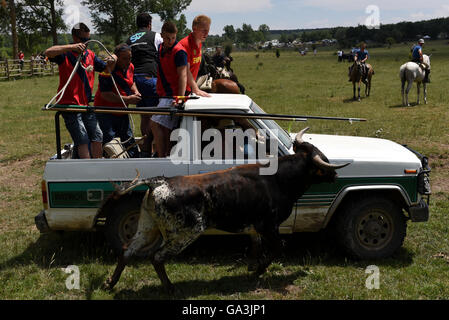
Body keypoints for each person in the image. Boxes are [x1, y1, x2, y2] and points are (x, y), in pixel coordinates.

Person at [45, 22, 116, 159]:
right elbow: (48, 52)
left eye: (88, 39)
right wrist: (71, 47)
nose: (86, 43)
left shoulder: (90, 55)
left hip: (85, 105)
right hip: (70, 105)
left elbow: (106, 69)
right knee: (82, 138)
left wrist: (113, 59)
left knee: (98, 135)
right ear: (75, 38)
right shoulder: (64, 55)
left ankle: (98, 166)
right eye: (84, 40)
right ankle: (88, 171)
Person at [94, 43, 142, 158]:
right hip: (105, 112)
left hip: (121, 111)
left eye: (130, 58)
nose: (128, 61)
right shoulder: (107, 70)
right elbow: (105, 95)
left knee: (128, 140)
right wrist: (128, 99)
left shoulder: (130, 67)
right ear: (116, 58)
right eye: (124, 58)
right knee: (110, 143)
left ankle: (133, 163)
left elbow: (131, 82)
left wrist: (135, 91)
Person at [126, 13, 163, 157]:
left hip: (134, 82)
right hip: (150, 78)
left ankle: (146, 151)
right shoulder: (155, 36)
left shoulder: (129, 39)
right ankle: (156, 150)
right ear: (149, 24)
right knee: (158, 117)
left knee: (144, 117)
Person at [150, 21, 188, 158]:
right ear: (162, 35)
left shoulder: (179, 52)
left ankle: (161, 157)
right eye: (167, 38)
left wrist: (180, 98)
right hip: (163, 94)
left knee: (154, 124)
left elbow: (183, 76)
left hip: (172, 97)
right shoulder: (160, 48)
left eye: (173, 38)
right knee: (166, 130)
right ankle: (166, 155)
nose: (171, 41)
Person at [178, 15, 212, 97]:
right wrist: (196, 89)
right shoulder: (185, 45)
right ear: (194, 28)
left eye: (208, 30)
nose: (206, 34)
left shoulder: (199, 43)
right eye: (204, 30)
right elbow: (186, 70)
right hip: (179, 90)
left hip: (189, 89)